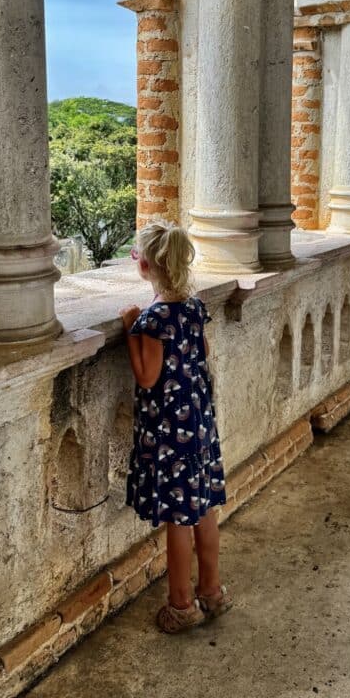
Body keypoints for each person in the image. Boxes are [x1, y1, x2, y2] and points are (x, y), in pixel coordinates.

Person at [119, 220, 232, 633]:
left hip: (169, 434)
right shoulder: (193, 307)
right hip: (198, 425)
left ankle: (182, 604)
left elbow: (147, 377)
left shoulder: (153, 319)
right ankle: (212, 591)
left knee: (179, 520)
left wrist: (130, 328)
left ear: (145, 265)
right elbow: (200, 350)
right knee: (204, 511)